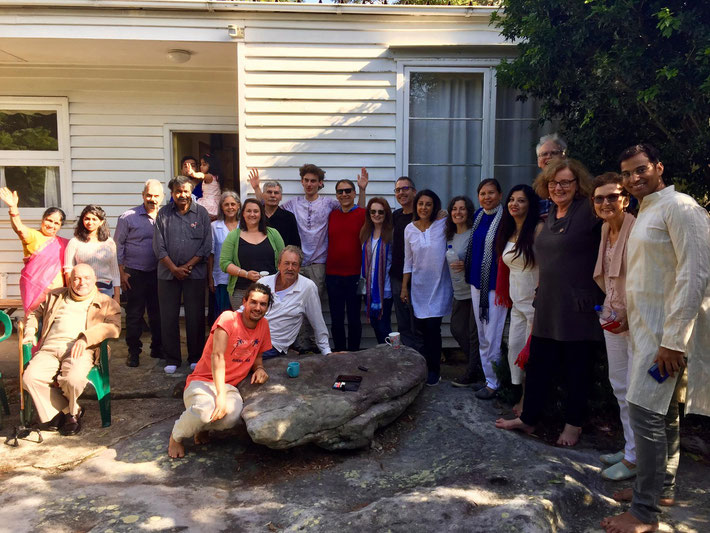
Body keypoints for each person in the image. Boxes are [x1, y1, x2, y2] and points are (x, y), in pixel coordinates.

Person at [601, 144, 710, 533]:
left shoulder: (681, 207)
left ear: (659, 167)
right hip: (646, 332)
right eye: (627, 173)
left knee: (647, 416)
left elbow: (695, 276)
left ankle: (645, 514)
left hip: (666, 339)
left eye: (641, 169)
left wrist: (674, 341)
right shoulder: (647, 211)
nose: (634, 178)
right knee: (662, 418)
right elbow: (651, 276)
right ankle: (661, 489)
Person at [496, 158, 604, 447]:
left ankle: (573, 424)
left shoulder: (589, 211)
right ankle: (529, 418)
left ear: (578, 184)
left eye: (566, 182)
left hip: (578, 306)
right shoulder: (552, 214)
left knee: (577, 369)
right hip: (546, 303)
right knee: (539, 364)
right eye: (554, 183)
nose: (559, 187)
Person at [168, 282, 272, 459]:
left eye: (263, 304)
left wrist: (260, 368)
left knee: (231, 417)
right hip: (202, 381)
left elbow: (257, 356)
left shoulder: (263, 326)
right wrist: (220, 396)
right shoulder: (228, 319)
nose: (257, 307)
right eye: (253, 302)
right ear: (244, 302)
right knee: (204, 410)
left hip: (230, 385)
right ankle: (176, 436)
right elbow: (217, 356)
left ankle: (201, 429)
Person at [22, 264, 121, 436]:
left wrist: (86, 338)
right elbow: (33, 314)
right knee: (30, 378)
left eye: (86, 278)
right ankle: (70, 412)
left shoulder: (106, 302)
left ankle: (60, 414)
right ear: (70, 280)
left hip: (81, 349)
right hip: (49, 348)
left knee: (73, 379)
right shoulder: (55, 296)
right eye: (76, 278)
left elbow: (114, 327)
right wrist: (30, 331)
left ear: (94, 280)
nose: (81, 282)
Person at [590, 172, 638, 482]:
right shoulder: (606, 229)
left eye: (612, 196)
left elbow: (651, 280)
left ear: (626, 199)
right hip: (611, 315)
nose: (606, 202)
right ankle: (631, 449)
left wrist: (629, 315)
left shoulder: (637, 228)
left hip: (638, 320)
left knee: (637, 390)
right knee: (619, 384)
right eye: (599, 198)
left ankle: (638, 460)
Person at [153, 175, 212, 374]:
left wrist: (187, 266)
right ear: (172, 194)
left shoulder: (201, 213)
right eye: (178, 191)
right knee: (168, 316)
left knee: (195, 316)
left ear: (191, 192)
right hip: (167, 274)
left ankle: (195, 357)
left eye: (186, 191)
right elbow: (158, 247)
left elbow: (206, 245)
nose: (182, 195)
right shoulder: (163, 214)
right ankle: (172, 358)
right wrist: (174, 268)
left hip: (194, 274)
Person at [494, 185, 541, 414]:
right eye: (511, 199)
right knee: (515, 350)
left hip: (536, 307)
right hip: (517, 305)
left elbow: (548, 267)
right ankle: (522, 396)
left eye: (520, 200)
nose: (514, 204)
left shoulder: (537, 230)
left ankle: (530, 404)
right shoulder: (509, 231)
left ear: (530, 205)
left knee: (531, 357)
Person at [402, 189, 452, 386]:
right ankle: (422, 368)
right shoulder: (409, 229)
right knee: (420, 329)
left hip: (439, 286)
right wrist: (405, 287)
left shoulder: (443, 225)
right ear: (416, 206)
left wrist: (446, 212)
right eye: (421, 204)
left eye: (428, 204)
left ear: (434, 207)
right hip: (418, 287)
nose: (424, 207)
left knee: (433, 329)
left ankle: (434, 370)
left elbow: (458, 215)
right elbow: (408, 261)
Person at [464, 179, 507, 400]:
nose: (487, 197)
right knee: (482, 335)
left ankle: (495, 383)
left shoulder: (506, 219)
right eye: (482, 193)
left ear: (500, 194)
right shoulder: (479, 216)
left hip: (494, 286)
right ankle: (488, 377)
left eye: (491, 192)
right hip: (476, 282)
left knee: (493, 335)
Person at [115, 179, 164, 367]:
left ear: (162, 197)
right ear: (143, 195)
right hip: (134, 272)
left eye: (156, 196)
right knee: (135, 314)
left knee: (157, 313)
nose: (152, 199)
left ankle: (157, 348)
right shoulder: (128, 217)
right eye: (149, 195)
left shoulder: (166, 216)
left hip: (159, 273)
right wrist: (121, 271)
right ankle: (133, 352)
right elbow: (118, 245)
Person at [0, 187, 67, 314]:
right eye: (49, 220)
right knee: (32, 324)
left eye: (56, 223)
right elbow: (19, 229)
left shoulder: (64, 243)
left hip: (57, 294)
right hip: (34, 291)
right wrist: (13, 208)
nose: (51, 225)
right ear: (43, 219)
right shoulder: (33, 235)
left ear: (60, 226)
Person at [258, 246, 331, 358]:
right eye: (286, 263)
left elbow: (317, 322)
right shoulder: (263, 282)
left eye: (294, 264)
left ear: (299, 268)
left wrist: (326, 352)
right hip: (251, 337)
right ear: (279, 265)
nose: (290, 268)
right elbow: (245, 311)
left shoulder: (307, 287)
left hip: (274, 345)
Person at [219, 198, 284, 311]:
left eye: (256, 211)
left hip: (271, 291)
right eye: (249, 211)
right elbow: (224, 263)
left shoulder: (273, 234)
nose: (252, 214)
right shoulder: (233, 236)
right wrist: (246, 274)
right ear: (243, 213)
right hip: (241, 291)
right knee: (243, 326)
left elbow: (283, 260)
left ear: (261, 214)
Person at [325, 179, 366, 352]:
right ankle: (340, 351)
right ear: (336, 195)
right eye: (340, 192)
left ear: (354, 193)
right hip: (333, 274)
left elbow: (362, 211)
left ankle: (354, 352)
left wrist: (363, 189)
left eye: (348, 190)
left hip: (355, 274)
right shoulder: (332, 215)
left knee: (354, 317)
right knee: (336, 317)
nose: (344, 194)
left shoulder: (363, 214)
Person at [445, 196, 481, 388]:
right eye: (454, 209)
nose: (458, 212)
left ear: (468, 212)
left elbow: (481, 259)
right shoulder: (449, 235)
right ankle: (479, 366)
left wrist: (466, 265)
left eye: (462, 209)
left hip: (473, 290)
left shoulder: (473, 234)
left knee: (474, 334)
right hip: (458, 291)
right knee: (457, 329)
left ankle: (472, 372)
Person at [390, 177, 425, 353]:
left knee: (418, 321)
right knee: (403, 321)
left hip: (418, 277)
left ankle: (423, 359)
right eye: (397, 190)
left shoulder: (422, 215)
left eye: (405, 189)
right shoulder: (395, 216)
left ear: (414, 191)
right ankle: (409, 360)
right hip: (397, 276)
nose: (401, 193)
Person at [64, 204, 121, 304]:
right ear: (82, 220)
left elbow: (115, 271)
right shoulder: (75, 242)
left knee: (101, 318)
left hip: (105, 289)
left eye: (94, 219)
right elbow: (68, 269)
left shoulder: (109, 243)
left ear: (101, 222)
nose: (90, 222)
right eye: (87, 219)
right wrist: (72, 291)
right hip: (82, 288)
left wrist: (117, 296)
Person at [360, 197, 393, 344]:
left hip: (384, 288)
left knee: (383, 326)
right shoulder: (366, 233)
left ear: (386, 214)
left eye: (381, 212)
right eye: (373, 211)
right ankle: (385, 354)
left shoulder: (391, 234)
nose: (377, 214)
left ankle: (391, 355)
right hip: (368, 287)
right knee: (374, 323)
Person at [208, 190, 240, 325]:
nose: (230, 207)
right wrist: (210, 279)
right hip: (221, 278)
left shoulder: (244, 227)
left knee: (239, 316)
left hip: (241, 278)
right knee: (223, 316)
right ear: (221, 207)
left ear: (238, 206)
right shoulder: (214, 226)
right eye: (226, 204)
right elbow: (211, 254)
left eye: (233, 204)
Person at [247, 171, 301, 248]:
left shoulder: (288, 217)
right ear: (263, 195)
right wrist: (256, 188)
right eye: (269, 192)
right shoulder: (256, 216)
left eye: (276, 193)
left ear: (281, 197)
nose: (272, 195)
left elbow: (295, 244)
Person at [536, 133, 568, 218]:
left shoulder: (574, 185)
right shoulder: (533, 193)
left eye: (554, 153)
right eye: (544, 154)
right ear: (538, 161)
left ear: (563, 157)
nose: (549, 157)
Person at [186, 153, 222, 220]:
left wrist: (193, 174)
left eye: (204, 164)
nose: (201, 166)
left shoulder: (209, 177)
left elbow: (201, 175)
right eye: (201, 164)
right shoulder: (215, 177)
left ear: (211, 166)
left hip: (209, 204)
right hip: (212, 202)